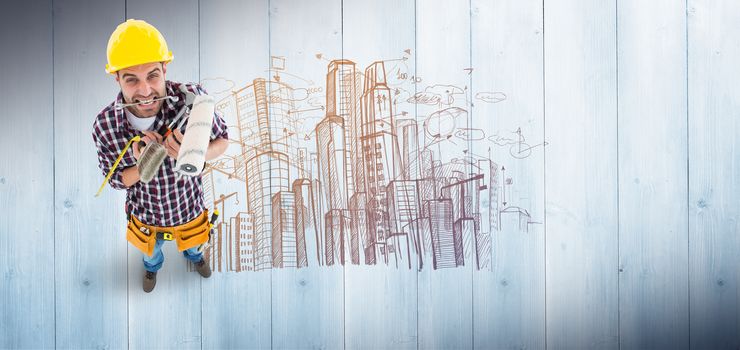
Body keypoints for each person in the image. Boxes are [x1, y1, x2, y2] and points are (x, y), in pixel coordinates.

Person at [92, 19, 229, 293]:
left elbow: (222, 141)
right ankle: (152, 270)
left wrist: (197, 153)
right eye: (131, 79)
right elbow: (117, 180)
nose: (144, 91)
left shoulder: (192, 99)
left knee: (193, 245)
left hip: (188, 210)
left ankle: (195, 257)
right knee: (150, 255)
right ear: (116, 77)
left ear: (165, 68)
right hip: (146, 219)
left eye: (153, 75)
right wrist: (142, 168)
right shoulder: (105, 125)